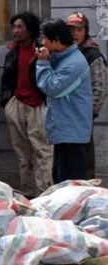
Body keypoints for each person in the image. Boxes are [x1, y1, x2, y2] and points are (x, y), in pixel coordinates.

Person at [0, 12, 52, 197]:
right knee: (22, 152)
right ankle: (28, 191)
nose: (16, 31)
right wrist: (7, 102)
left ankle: (45, 192)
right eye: (14, 27)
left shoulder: (42, 51)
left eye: (20, 27)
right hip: (17, 104)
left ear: (30, 30)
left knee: (42, 150)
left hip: (38, 104)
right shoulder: (12, 53)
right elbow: (6, 80)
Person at [35, 19, 93, 183]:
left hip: (72, 133)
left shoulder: (74, 63)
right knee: (61, 181)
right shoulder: (61, 58)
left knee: (72, 185)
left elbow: (52, 88)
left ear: (56, 39)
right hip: (64, 131)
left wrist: (43, 63)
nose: (42, 42)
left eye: (45, 38)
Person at [67, 12, 107, 177]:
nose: (75, 34)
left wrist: (89, 112)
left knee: (83, 158)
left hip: (82, 115)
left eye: (79, 30)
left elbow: (100, 87)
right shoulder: (64, 52)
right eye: (71, 30)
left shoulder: (92, 54)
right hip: (64, 115)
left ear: (86, 31)